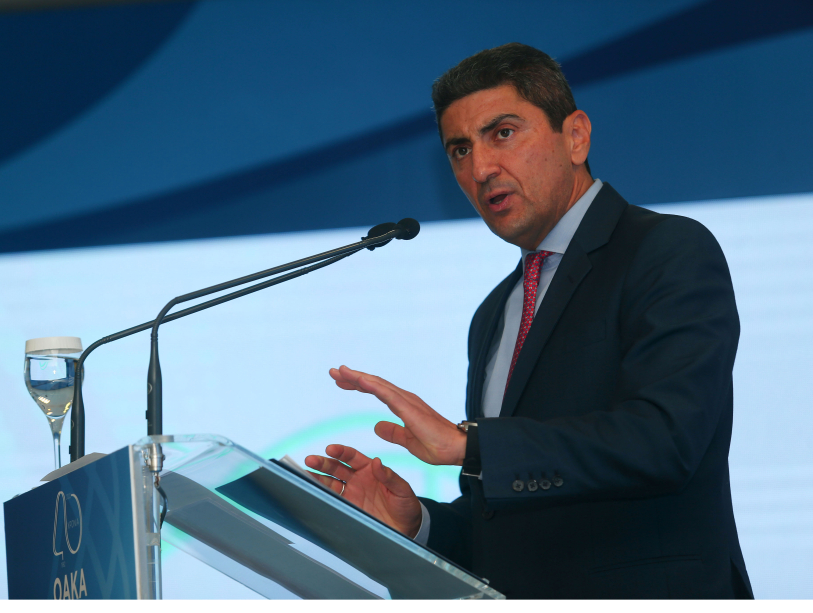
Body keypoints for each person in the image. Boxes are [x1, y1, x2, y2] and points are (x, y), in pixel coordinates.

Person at [305, 42, 753, 599]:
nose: (481, 168)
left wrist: (472, 445)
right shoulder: (494, 314)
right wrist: (417, 523)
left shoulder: (666, 250)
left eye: (503, 133)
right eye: (460, 149)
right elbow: (503, 526)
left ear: (576, 137)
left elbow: (666, 440)